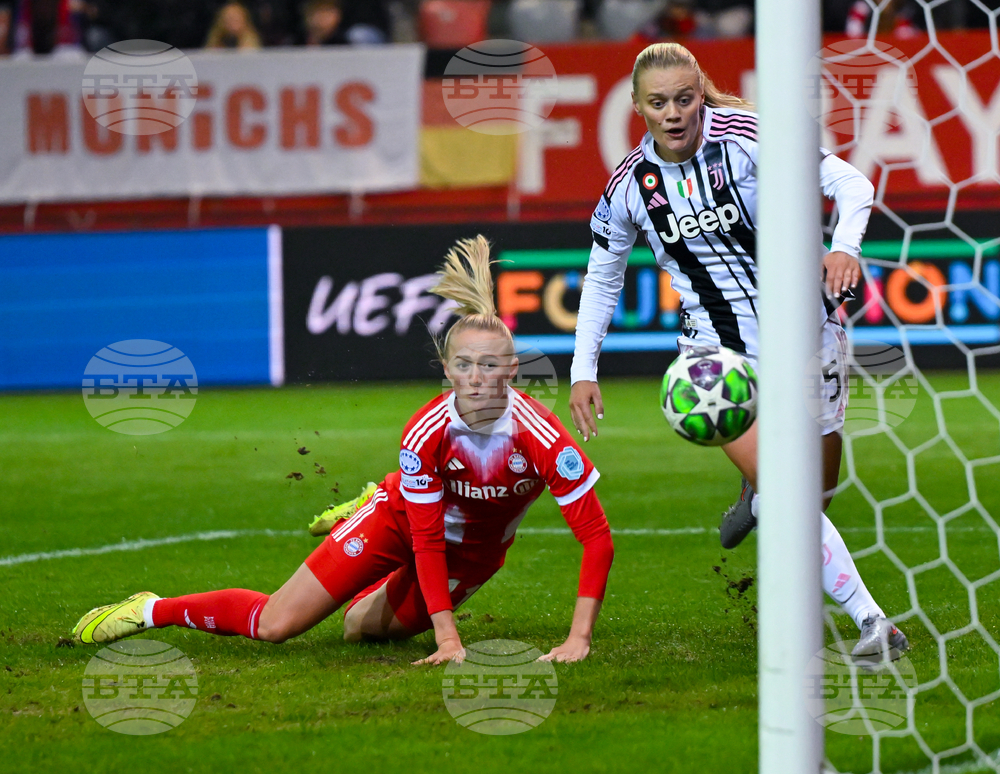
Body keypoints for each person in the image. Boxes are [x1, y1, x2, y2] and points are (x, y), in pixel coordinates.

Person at [73, 236, 615, 665]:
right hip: (404, 520)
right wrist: (448, 639)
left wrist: (579, 639)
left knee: (360, 630)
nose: (478, 378)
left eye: (492, 365)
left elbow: (596, 539)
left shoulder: (542, 438)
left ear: (513, 370)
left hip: (472, 554)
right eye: (465, 366)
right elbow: (425, 539)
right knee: (276, 625)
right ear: (447, 370)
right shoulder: (426, 429)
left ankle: (363, 524)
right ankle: (151, 610)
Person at [567, 42, 908, 660]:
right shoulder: (627, 188)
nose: (673, 113)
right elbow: (602, 276)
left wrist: (845, 247)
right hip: (715, 357)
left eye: (684, 98)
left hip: (809, 335)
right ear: (637, 108)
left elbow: (852, 184)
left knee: (815, 494)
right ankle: (873, 623)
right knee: (789, 492)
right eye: (658, 103)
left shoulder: (749, 138)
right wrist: (583, 369)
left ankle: (762, 505)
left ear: (701, 92)